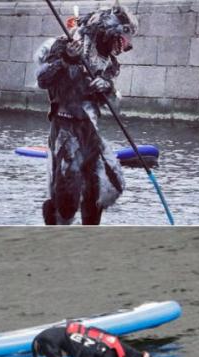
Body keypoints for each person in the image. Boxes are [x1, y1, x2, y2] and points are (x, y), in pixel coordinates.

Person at [37, 6, 137, 225]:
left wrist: (107, 87)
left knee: (97, 191)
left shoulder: (110, 63)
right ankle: (54, 219)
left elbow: (110, 102)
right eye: (121, 38)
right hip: (64, 125)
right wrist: (66, 59)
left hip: (89, 129)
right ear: (108, 32)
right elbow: (43, 79)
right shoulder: (66, 44)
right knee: (67, 196)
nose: (124, 46)